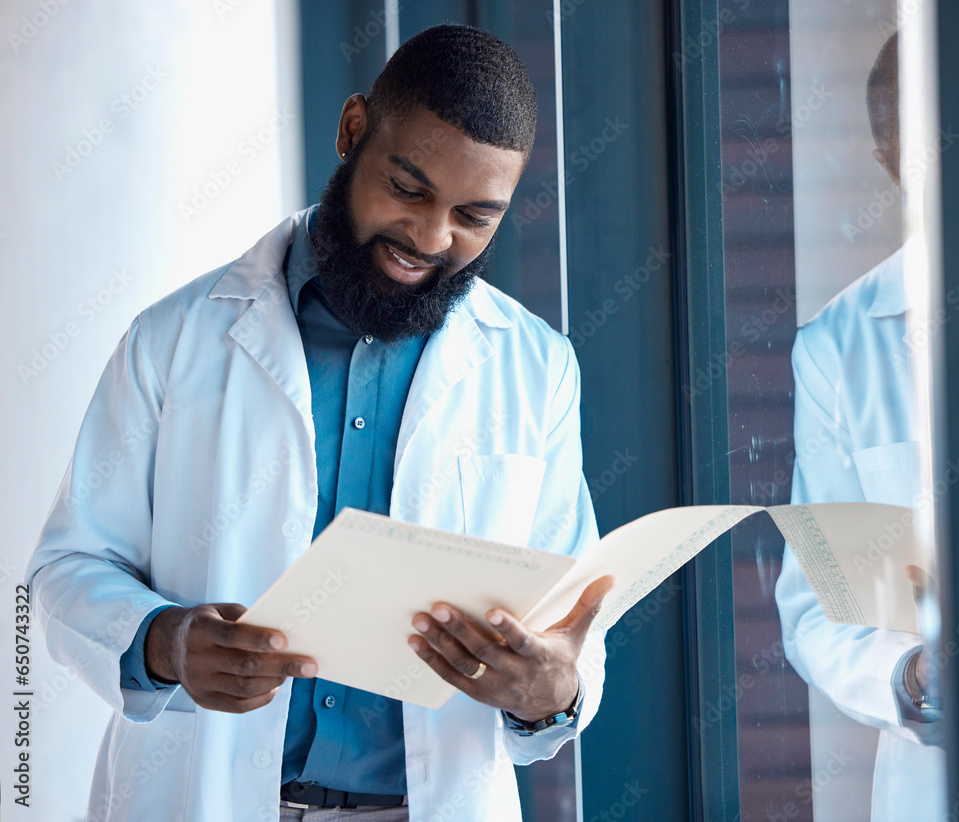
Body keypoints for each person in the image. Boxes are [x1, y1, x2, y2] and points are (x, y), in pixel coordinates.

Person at [27, 25, 613, 822]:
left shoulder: (536, 368)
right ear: (351, 131)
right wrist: (165, 643)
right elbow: (63, 571)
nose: (431, 239)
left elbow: (569, 622)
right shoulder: (173, 340)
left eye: (475, 216)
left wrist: (552, 691)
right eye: (408, 190)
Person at [774, 33, 946, 821]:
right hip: (938, 777)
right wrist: (915, 676)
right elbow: (818, 609)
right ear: (891, 165)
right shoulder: (841, 346)